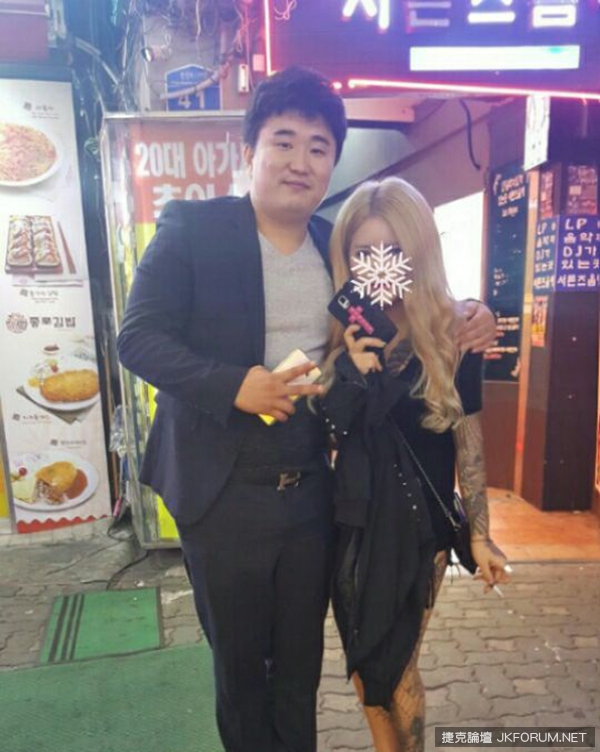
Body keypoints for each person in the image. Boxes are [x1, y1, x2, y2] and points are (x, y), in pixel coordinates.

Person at [117, 67, 497, 752]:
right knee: (242, 676)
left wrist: (473, 312)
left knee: (298, 674)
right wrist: (235, 385)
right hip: (222, 495)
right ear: (249, 151)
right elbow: (137, 337)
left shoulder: (337, 247)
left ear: (332, 162)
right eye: (283, 141)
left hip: (311, 498)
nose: (300, 161)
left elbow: (414, 297)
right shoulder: (194, 230)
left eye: (319, 147)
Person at [319, 177, 510, 752]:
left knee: (397, 662)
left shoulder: (455, 332)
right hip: (350, 523)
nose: (379, 264)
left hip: (416, 528)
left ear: (418, 251)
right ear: (347, 257)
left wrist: (480, 535)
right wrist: (351, 372)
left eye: (394, 250)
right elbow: (330, 433)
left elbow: (469, 442)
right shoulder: (342, 329)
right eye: (364, 252)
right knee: (364, 665)